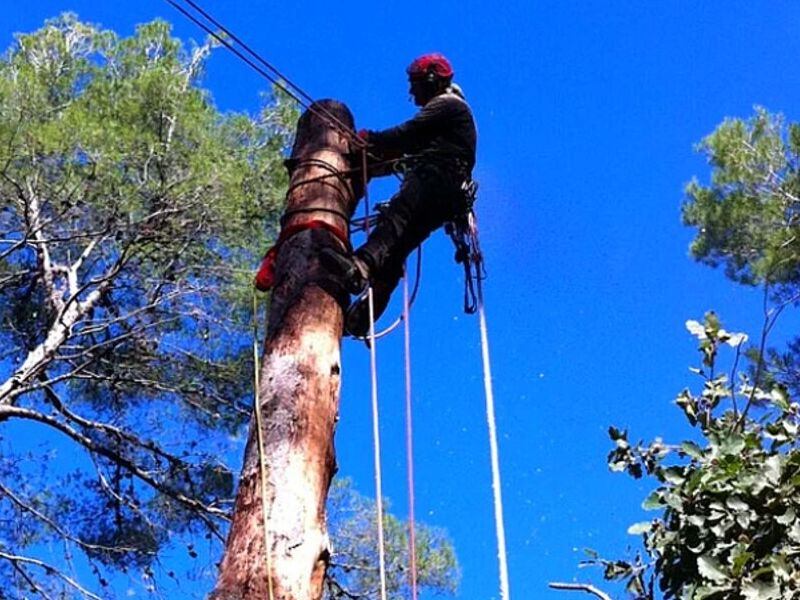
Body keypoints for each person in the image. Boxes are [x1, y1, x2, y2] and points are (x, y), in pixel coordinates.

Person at [322, 52, 477, 337]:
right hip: (445, 188)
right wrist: (366, 164)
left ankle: (359, 267)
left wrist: (368, 140)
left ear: (431, 80)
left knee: (396, 220)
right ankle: (362, 315)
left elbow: (406, 136)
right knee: (397, 244)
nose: (411, 91)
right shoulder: (446, 120)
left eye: (415, 83)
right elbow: (399, 157)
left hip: (437, 177)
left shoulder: (447, 106)